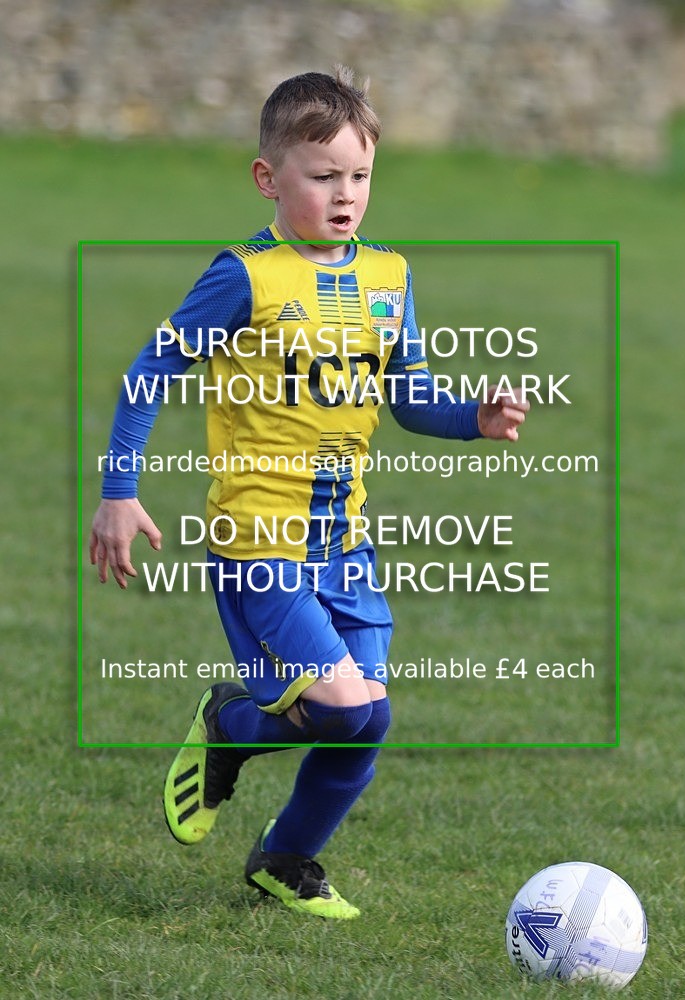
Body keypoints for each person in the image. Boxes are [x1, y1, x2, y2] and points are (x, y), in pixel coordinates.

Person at [89, 66, 529, 920]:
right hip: (259, 540)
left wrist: (471, 417)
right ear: (269, 177)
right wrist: (119, 490)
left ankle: (285, 858)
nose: (345, 194)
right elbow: (152, 369)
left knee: (368, 721)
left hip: (343, 543)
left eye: (360, 175)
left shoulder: (390, 276)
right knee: (338, 704)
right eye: (323, 175)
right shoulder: (245, 276)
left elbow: (409, 397)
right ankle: (230, 725)